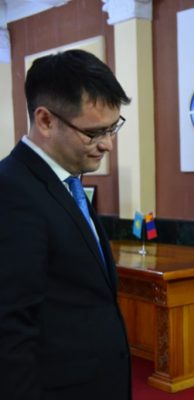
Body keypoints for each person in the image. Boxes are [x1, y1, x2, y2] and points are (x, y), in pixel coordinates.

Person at [0, 50, 131, 400]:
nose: (107, 144)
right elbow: (10, 331)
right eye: (94, 132)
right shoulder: (11, 191)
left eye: (113, 128)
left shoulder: (67, 182)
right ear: (45, 120)